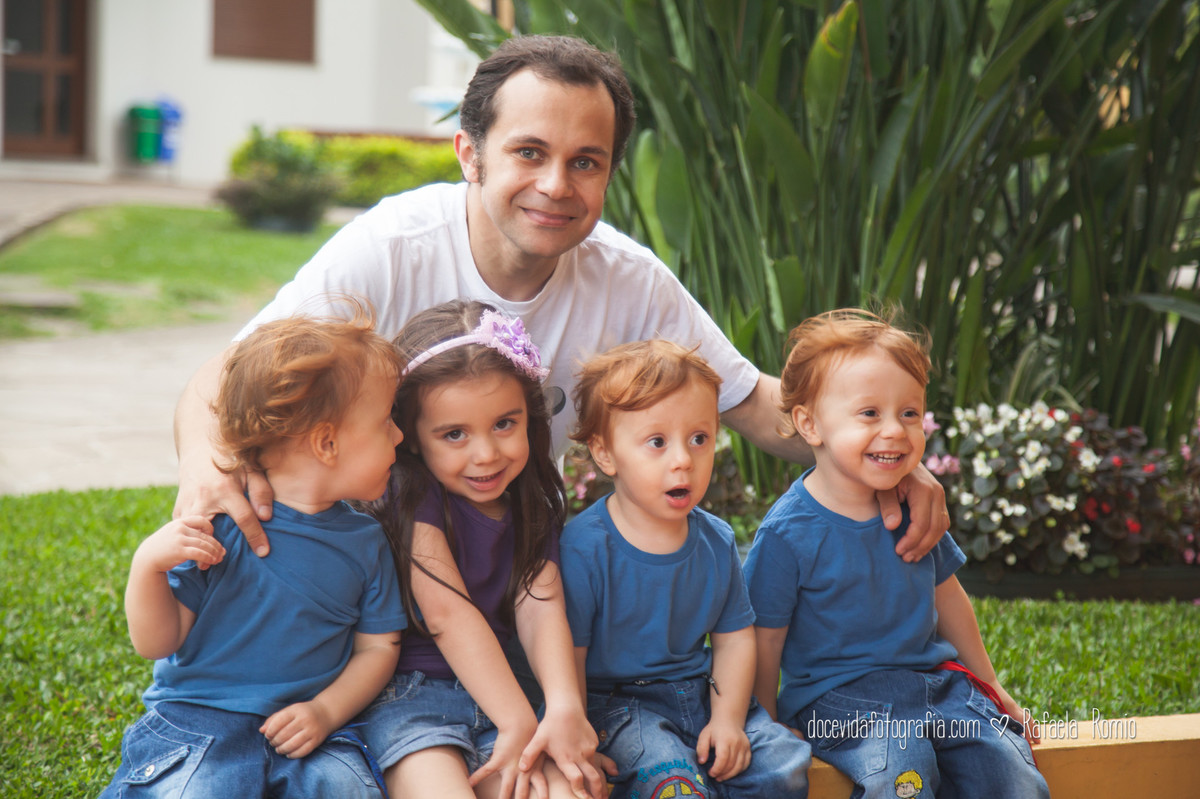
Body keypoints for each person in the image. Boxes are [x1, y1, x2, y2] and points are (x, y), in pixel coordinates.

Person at [171, 33, 948, 563]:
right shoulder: (392, 245)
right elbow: (229, 374)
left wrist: (880, 450)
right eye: (530, 152)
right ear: (469, 154)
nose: (555, 185)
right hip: (358, 562)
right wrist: (203, 467)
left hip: (508, 565)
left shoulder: (628, 277)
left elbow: (756, 404)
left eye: (585, 162)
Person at [743, 309, 1050, 799]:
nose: (895, 430)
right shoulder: (787, 533)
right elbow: (764, 638)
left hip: (936, 687)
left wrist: (992, 688)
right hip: (835, 705)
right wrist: (765, 721)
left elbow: (948, 599)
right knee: (903, 775)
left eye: (909, 413)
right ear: (809, 423)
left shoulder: (914, 507)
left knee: (1011, 771)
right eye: (870, 413)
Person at [100, 312, 407, 798]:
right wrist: (146, 568)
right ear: (327, 443)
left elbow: (377, 648)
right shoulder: (221, 523)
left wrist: (326, 711)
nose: (399, 436)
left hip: (312, 729)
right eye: (387, 420)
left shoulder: (367, 541)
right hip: (199, 721)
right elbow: (157, 642)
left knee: (351, 790)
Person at [354, 300, 604, 799]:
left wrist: (561, 705)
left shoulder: (532, 497)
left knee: (566, 792)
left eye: (504, 424)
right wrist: (516, 720)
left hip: (504, 689)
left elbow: (541, 602)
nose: (486, 454)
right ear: (411, 437)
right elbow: (447, 613)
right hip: (410, 696)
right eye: (454, 434)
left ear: (530, 415)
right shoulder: (409, 493)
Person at [560, 339, 812, 799]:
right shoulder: (584, 548)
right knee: (673, 783)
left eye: (700, 439)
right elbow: (568, 655)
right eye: (657, 442)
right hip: (618, 706)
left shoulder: (714, 539)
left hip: (701, 692)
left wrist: (729, 720)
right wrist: (581, 738)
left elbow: (734, 639)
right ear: (605, 453)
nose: (683, 459)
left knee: (784, 766)